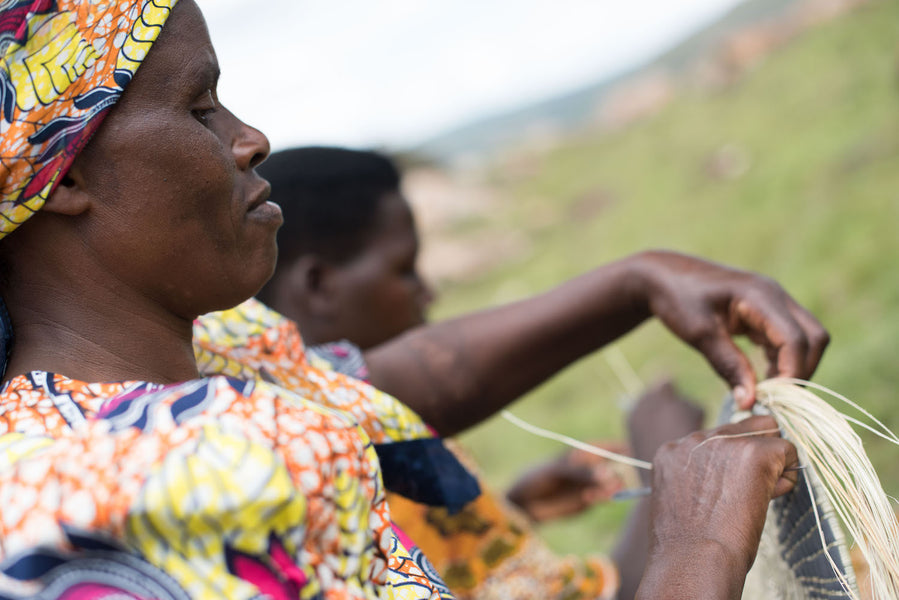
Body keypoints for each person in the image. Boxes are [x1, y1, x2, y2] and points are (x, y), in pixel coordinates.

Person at [0, 2, 815, 599]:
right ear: (63, 172)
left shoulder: (208, 353)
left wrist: (635, 282)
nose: (249, 138)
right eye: (197, 106)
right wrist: (698, 536)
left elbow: (385, 388)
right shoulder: (106, 501)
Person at [255, 146, 827, 598]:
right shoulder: (343, 467)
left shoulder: (313, 439)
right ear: (319, 286)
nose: (426, 292)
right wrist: (671, 479)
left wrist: (510, 511)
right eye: (404, 270)